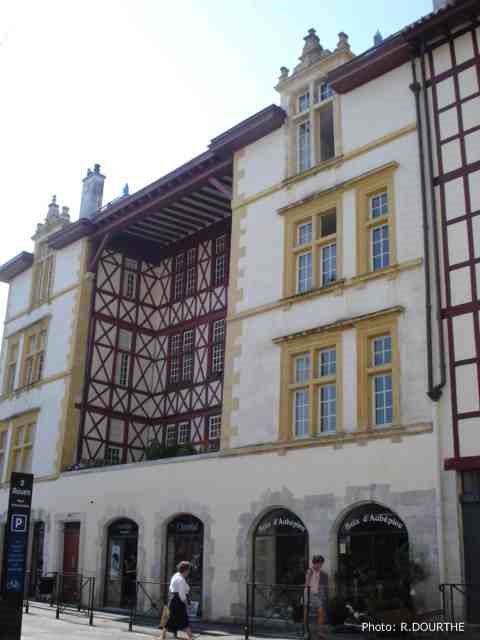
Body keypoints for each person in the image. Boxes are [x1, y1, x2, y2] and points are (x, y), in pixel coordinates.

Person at [163, 561, 194, 640]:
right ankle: (191, 637)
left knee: (171, 619)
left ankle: (162, 637)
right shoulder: (181, 579)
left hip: (174, 600)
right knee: (184, 620)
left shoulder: (175, 576)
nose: (189, 572)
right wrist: (187, 604)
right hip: (178, 602)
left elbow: (170, 588)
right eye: (189, 570)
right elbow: (182, 595)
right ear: (186, 570)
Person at [304, 555, 329, 636]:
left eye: (321, 563)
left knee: (321, 611)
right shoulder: (310, 571)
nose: (321, 565)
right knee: (306, 613)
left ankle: (320, 631)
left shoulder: (320, 572)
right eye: (320, 563)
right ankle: (306, 632)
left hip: (315, 594)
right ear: (315, 563)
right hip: (308, 593)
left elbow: (320, 585)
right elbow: (307, 583)